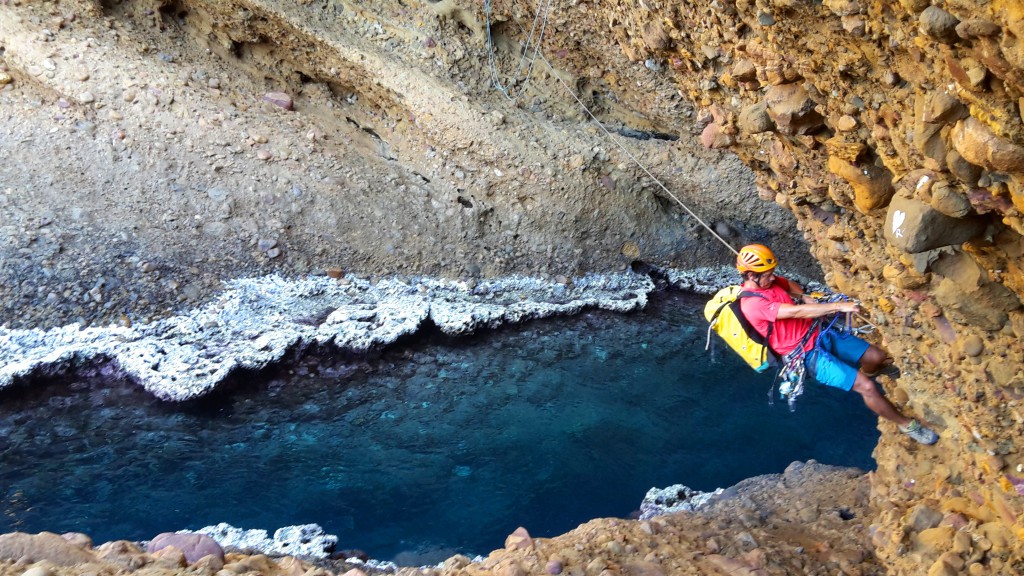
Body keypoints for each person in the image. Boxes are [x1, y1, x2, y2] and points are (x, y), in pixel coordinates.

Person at [735, 244, 939, 445]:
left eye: (772, 272)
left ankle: (870, 372)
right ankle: (907, 425)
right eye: (767, 274)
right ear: (752, 276)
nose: (772, 277)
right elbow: (796, 312)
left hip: (819, 333)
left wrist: (806, 297)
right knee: (866, 387)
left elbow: (788, 284)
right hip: (805, 356)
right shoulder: (753, 305)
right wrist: (837, 306)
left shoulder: (770, 282)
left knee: (876, 357)